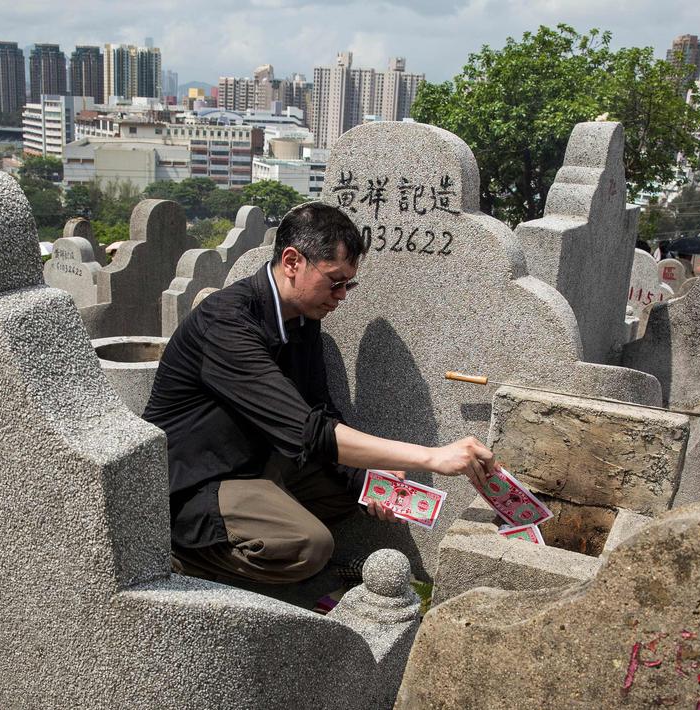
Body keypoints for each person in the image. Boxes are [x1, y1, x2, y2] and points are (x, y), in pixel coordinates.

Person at [143, 202, 498, 585]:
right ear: (292, 261)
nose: (341, 295)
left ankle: (269, 542)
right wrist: (432, 457)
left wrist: (367, 476)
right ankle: (175, 559)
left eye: (349, 284)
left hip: (255, 464)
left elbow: (320, 410)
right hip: (191, 485)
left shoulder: (301, 319)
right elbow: (307, 431)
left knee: (354, 488)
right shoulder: (227, 323)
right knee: (311, 545)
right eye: (334, 281)